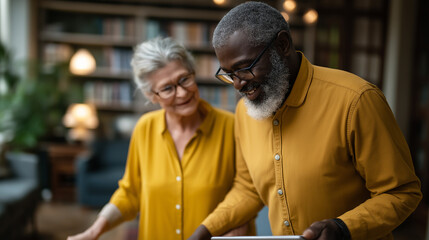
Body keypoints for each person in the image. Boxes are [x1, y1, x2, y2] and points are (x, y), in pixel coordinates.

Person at [189, 2, 422, 240]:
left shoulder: (356, 100)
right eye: (229, 74)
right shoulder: (244, 113)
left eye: (245, 67)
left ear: (282, 45)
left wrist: (343, 228)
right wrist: (205, 231)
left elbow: (401, 193)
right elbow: (249, 188)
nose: (238, 84)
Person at [67, 37, 255, 240]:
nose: (182, 93)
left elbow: (247, 191)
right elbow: (130, 193)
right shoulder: (144, 129)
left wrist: (238, 224)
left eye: (184, 79)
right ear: (151, 95)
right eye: (167, 88)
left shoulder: (232, 126)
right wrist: (94, 231)